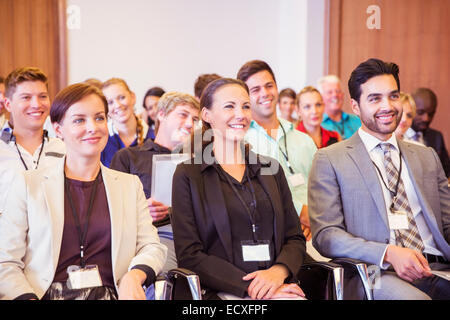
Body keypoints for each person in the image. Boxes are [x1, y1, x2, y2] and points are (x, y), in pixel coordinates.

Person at [0, 83, 167, 300]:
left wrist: (134, 276)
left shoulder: (128, 185)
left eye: (99, 118)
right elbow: (6, 261)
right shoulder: (28, 184)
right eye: (79, 120)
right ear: (58, 129)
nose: (93, 127)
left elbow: (151, 246)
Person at [308, 58, 450, 300]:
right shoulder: (330, 159)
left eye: (393, 96)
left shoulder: (426, 156)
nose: (388, 106)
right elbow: (326, 235)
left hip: (436, 265)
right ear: (355, 106)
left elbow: (446, 224)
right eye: (375, 99)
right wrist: (387, 253)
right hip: (376, 271)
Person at [171, 78, 306, 300]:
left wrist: (277, 273)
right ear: (207, 115)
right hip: (221, 290)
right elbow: (190, 255)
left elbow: (295, 238)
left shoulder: (270, 169)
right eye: (229, 106)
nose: (240, 114)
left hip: (278, 285)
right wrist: (254, 288)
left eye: (245, 106)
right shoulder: (189, 175)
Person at [111, 91, 200, 273]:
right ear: (162, 114)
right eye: (183, 115)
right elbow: (112, 209)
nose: (190, 124)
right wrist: (142, 212)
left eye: (195, 119)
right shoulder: (129, 157)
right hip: (152, 237)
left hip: (195, 239)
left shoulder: (199, 162)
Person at [237, 60, 317, 244]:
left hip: (312, 232)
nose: (265, 93)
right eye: (255, 90)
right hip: (266, 235)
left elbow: (321, 187)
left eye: (269, 86)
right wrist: (298, 212)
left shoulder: (302, 139)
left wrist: (314, 217)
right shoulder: (241, 142)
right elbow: (249, 194)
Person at [0, 67, 65, 213]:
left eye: (42, 96)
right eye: (26, 97)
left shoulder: (63, 149)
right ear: (8, 104)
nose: (36, 104)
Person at [100, 78, 154, 167]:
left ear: (132, 97)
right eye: (110, 102)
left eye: (121, 98)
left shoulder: (154, 138)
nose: (117, 105)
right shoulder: (101, 141)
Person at [404, 88, 450, 179]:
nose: (426, 119)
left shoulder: (436, 136)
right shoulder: (396, 136)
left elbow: (446, 171)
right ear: (411, 109)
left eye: (431, 114)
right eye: (420, 112)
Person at [317, 75, 361, 139]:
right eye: (330, 92)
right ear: (321, 97)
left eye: (338, 91)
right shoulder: (317, 124)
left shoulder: (358, 120)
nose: (335, 95)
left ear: (343, 95)